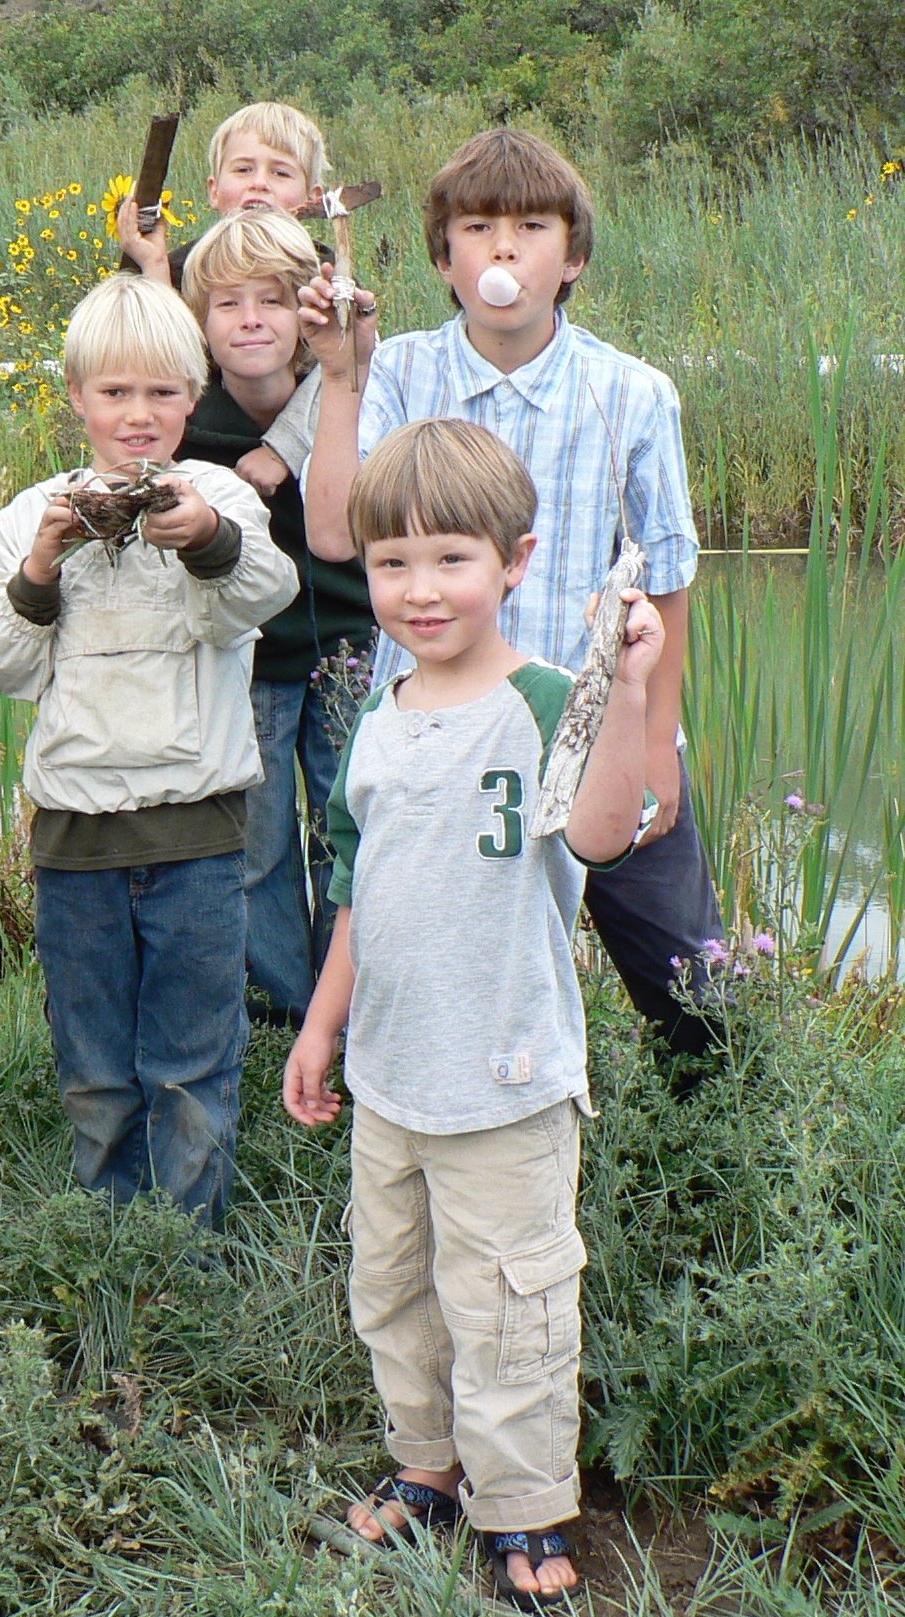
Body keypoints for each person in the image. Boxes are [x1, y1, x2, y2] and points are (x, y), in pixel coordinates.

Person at [284, 418, 661, 1609]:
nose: (418, 588)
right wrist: (319, 1025)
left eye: (449, 558)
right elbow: (358, 889)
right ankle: (426, 1468)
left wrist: (631, 680)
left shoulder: (549, 698)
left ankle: (524, 1508)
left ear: (515, 559)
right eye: (390, 563)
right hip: (391, 1080)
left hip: (504, 1082)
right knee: (392, 1287)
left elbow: (602, 832)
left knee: (509, 1303)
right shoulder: (376, 719)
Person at [300, 127, 725, 1072]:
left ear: (569, 256)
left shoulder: (632, 392)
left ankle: (712, 1185)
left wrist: (657, 736)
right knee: (424, 978)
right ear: (442, 258)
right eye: (476, 227)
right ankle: (417, 1141)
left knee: (695, 991)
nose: (501, 249)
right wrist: (338, 373)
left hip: (598, 727)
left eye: (530, 226)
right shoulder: (399, 371)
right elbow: (333, 533)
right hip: (438, 740)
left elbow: (667, 571)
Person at [0, 274, 294, 1227]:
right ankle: (110, 1247)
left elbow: (259, 595)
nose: (138, 416)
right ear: (77, 399)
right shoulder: (30, 516)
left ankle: (187, 1257)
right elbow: (1, 662)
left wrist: (204, 538)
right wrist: (40, 567)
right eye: (114, 393)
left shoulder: (221, 493)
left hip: (198, 838)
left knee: (192, 1064)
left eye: (160, 394)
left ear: (193, 399)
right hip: (75, 844)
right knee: (97, 1067)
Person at [178, 207, 374, 1029]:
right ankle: (287, 1010)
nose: (251, 319)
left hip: (343, 653)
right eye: (228, 304)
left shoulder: (346, 400)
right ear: (198, 322)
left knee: (348, 834)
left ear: (307, 314)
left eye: (271, 300)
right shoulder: (185, 424)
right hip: (245, 666)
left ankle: (350, 1005)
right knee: (256, 849)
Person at [118, 100, 331, 501]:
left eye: (280, 172)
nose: (259, 183)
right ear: (214, 191)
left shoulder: (324, 273)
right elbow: (160, 362)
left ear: (311, 196)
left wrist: (285, 446)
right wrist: (154, 267)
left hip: (304, 456)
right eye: (243, 169)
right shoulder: (183, 268)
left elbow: (347, 373)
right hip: (207, 444)